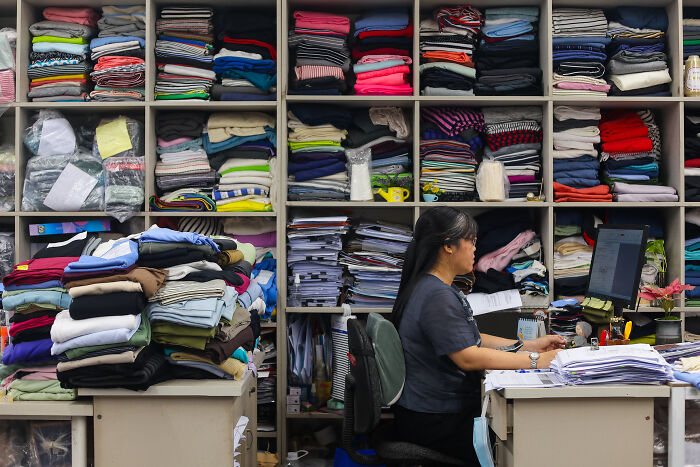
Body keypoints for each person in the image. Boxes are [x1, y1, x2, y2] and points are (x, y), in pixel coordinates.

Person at [391, 207, 565, 466]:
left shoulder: (430, 286)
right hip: (436, 420)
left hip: (426, 413)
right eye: (470, 241)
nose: (476, 247)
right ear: (449, 246)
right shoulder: (436, 295)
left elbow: (470, 338)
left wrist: (528, 346)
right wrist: (535, 361)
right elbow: (469, 357)